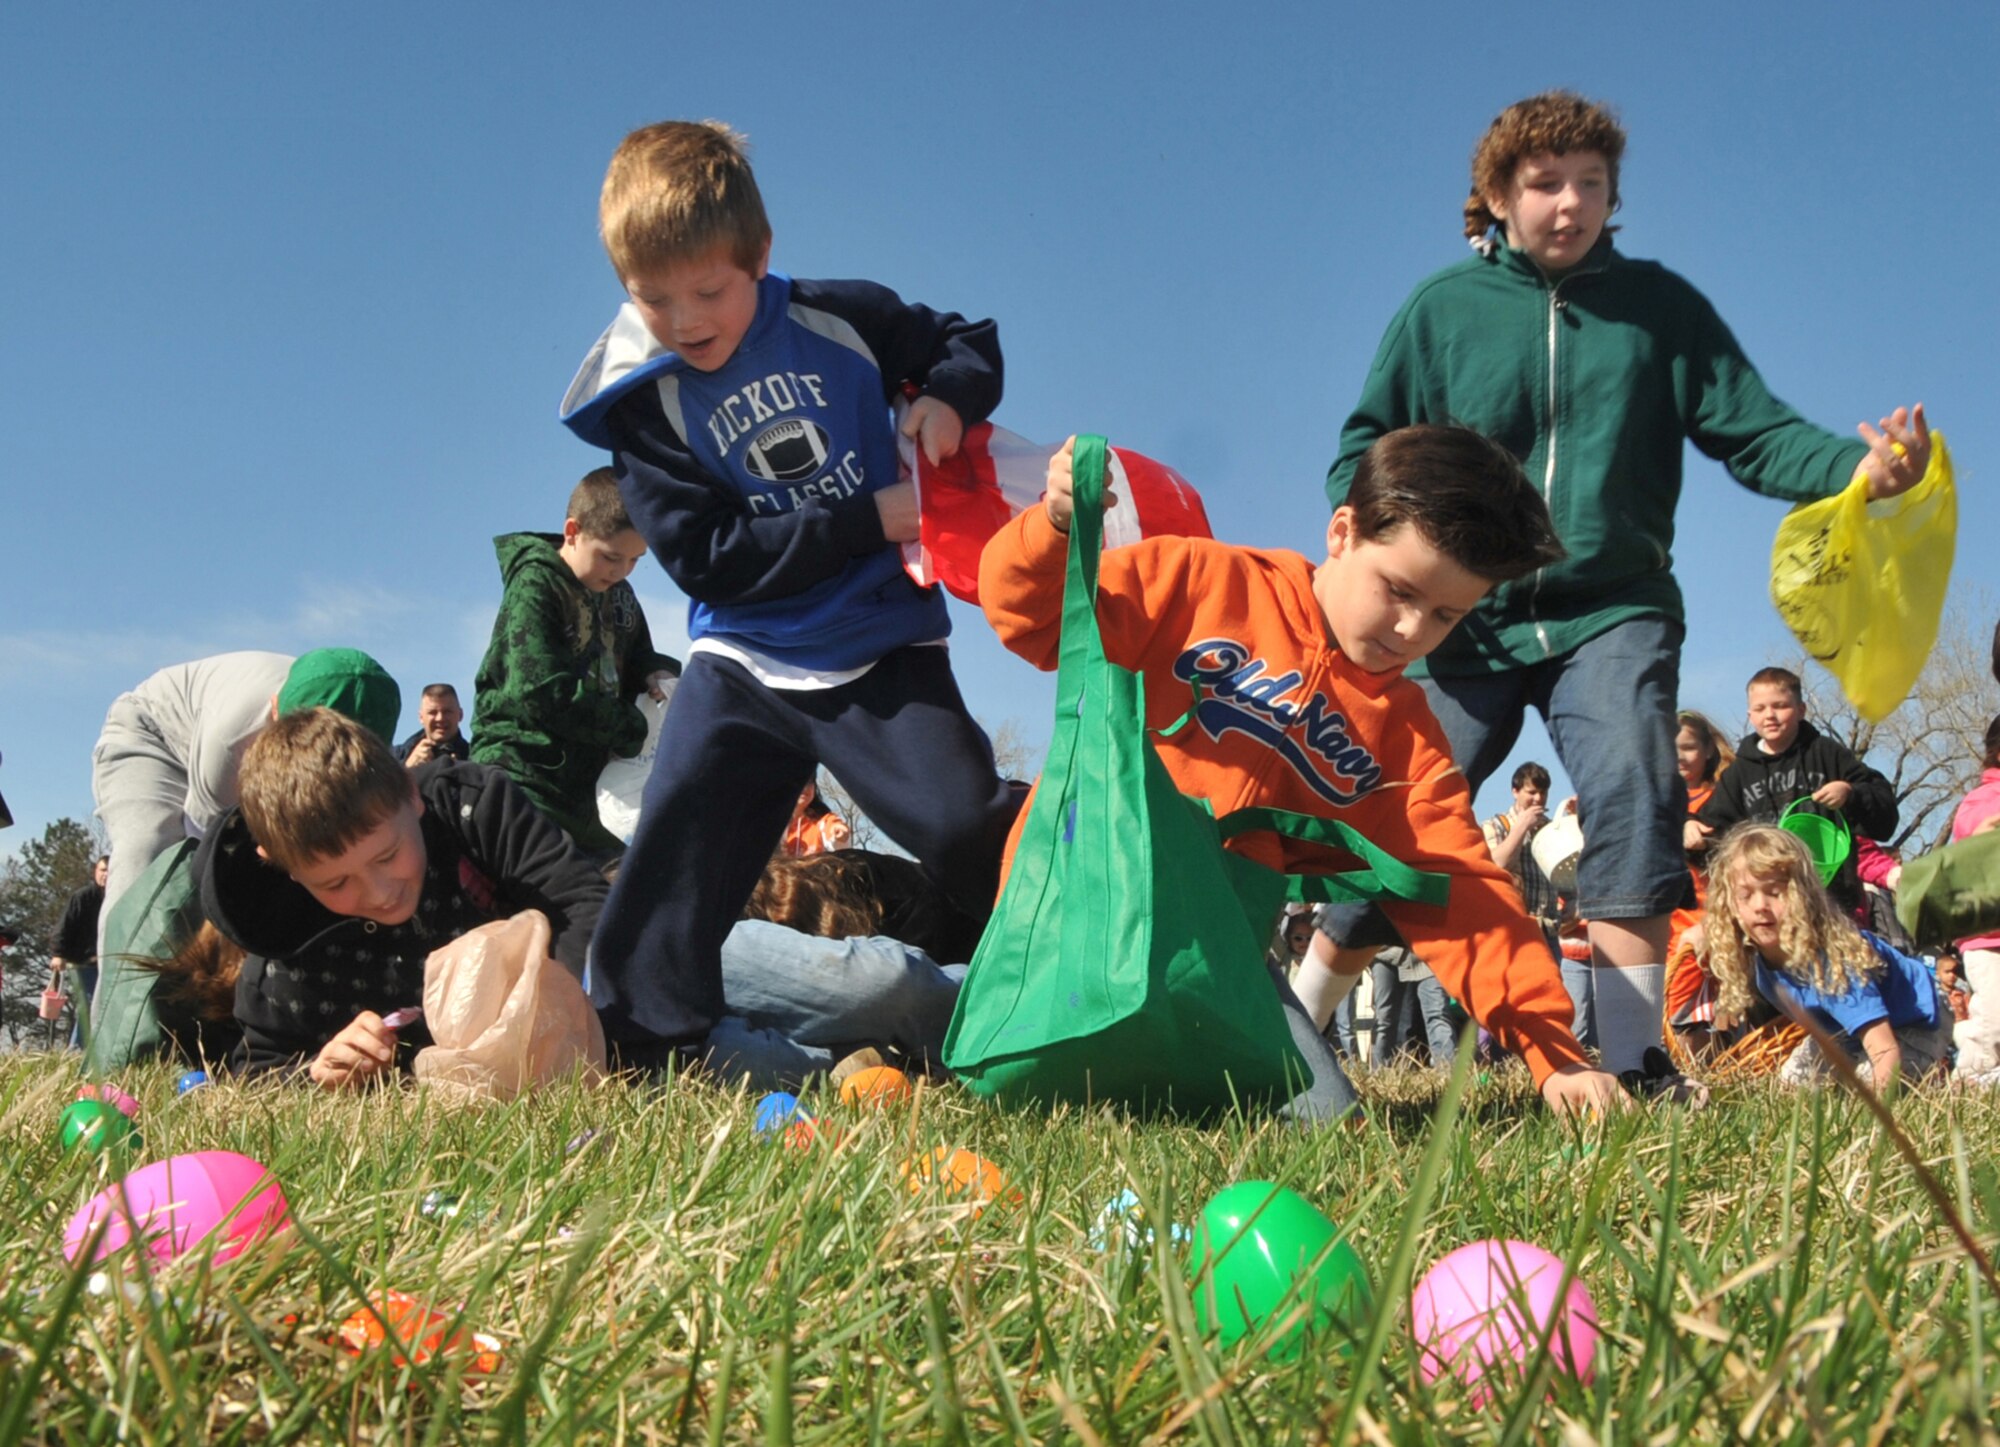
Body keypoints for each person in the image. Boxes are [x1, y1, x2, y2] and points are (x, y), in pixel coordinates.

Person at [1321, 90, 1934, 1079]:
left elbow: (1752, 426)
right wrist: (1375, 553)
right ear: (1495, 193)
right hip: (1463, 617)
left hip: (1611, 604)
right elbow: (1367, 442)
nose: (1568, 204)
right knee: (1394, 799)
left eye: (1590, 184)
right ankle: (1302, 1020)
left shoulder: (1658, 310)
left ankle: (1634, 1051)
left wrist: (1853, 472)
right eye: (1543, 184)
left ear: (1613, 194)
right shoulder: (1441, 312)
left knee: (1632, 790)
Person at [982, 424, 1623, 1116]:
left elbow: (1460, 889)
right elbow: (1036, 619)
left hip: (1221, 964)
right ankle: (921, 995)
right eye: (1398, 590)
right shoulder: (1201, 580)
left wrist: (1553, 1051)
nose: (1411, 630)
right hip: (1080, 912)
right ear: (1342, 533)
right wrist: (1052, 529)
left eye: (1445, 614)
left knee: (1324, 1124)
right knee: (1000, 1056)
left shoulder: (1403, 739)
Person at [557, 120, 1016, 1063]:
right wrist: (872, 518)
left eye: (709, 290)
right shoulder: (641, 401)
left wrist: (946, 397)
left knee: (961, 820)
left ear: (760, 256)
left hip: (876, 640)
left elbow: (965, 341)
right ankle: (646, 1048)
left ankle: (1090, 946)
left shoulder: (838, 318)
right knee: (676, 848)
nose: (684, 320)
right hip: (746, 660)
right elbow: (712, 558)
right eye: (653, 298)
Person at [84, 648, 401, 1072]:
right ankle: (117, 1038)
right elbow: (210, 862)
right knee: (153, 856)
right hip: (152, 737)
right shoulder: (230, 742)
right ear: (276, 709)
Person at [472, 469, 680, 858]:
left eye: (636, 560)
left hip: (591, 796)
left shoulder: (620, 594)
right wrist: (631, 728)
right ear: (573, 531)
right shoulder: (536, 584)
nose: (621, 571)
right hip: (524, 780)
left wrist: (656, 672)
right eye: (611, 557)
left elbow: (637, 653)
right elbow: (541, 691)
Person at [1703, 823, 1948, 1091]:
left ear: (1803, 896)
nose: (1760, 906)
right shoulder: (1758, 958)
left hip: (1915, 1019)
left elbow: (1884, 1050)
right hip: (1843, 1034)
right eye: (1745, 895)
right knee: (1792, 1083)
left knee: (1868, 1084)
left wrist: (1877, 1121)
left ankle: (1939, 1080)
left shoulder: (1834, 965)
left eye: (1775, 892)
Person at [1692, 667, 1897, 915]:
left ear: (1801, 710)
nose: (1770, 715)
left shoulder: (1826, 753)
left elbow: (1883, 812)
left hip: (1834, 902)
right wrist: (1690, 827)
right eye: (1760, 709)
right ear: (1750, 715)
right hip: (1771, 906)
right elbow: (1715, 833)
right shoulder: (1739, 773)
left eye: (1780, 706)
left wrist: (1849, 792)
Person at [1479, 762, 1583, 1041]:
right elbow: (1496, 864)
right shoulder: (1495, 825)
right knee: (1507, 999)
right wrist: (1521, 827)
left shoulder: (1551, 830)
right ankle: (1494, 1059)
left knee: (1546, 1001)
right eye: (1531, 792)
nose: (1538, 799)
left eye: (1543, 793)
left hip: (1546, 930)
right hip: (1509, 931)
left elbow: (1568, 874)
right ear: (1515, 791)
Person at [1943, 717, 2000, 1079]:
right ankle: (1970, 1078)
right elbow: (1974, 846)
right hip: (1988, 936)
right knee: (1994, 1018)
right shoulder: (1982, 800)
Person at [50, 855, 108, 1049]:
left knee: (102, 1006)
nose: (106, 875)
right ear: (95, 872)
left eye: (109, 870)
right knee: (90, 1004)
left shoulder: (118, 897)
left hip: (106, 962)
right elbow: (65, 925)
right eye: (102, 870)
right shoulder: (83, 897)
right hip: (83, 961)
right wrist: (59, 954)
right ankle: (76, 1049)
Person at [396, 684, 471, 766]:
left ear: (460, 715)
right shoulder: (396, 757)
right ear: (421, 717)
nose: (440, 718)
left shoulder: (475, 757)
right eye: (433, 713)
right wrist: (407, 768)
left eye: (447, 712)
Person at [781, 777, 853, 858]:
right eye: (798, 781)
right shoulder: (769, 822)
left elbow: (833, 828)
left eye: (810, 782)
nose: (805, 787)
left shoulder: (823, 820)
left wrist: (838, 833)